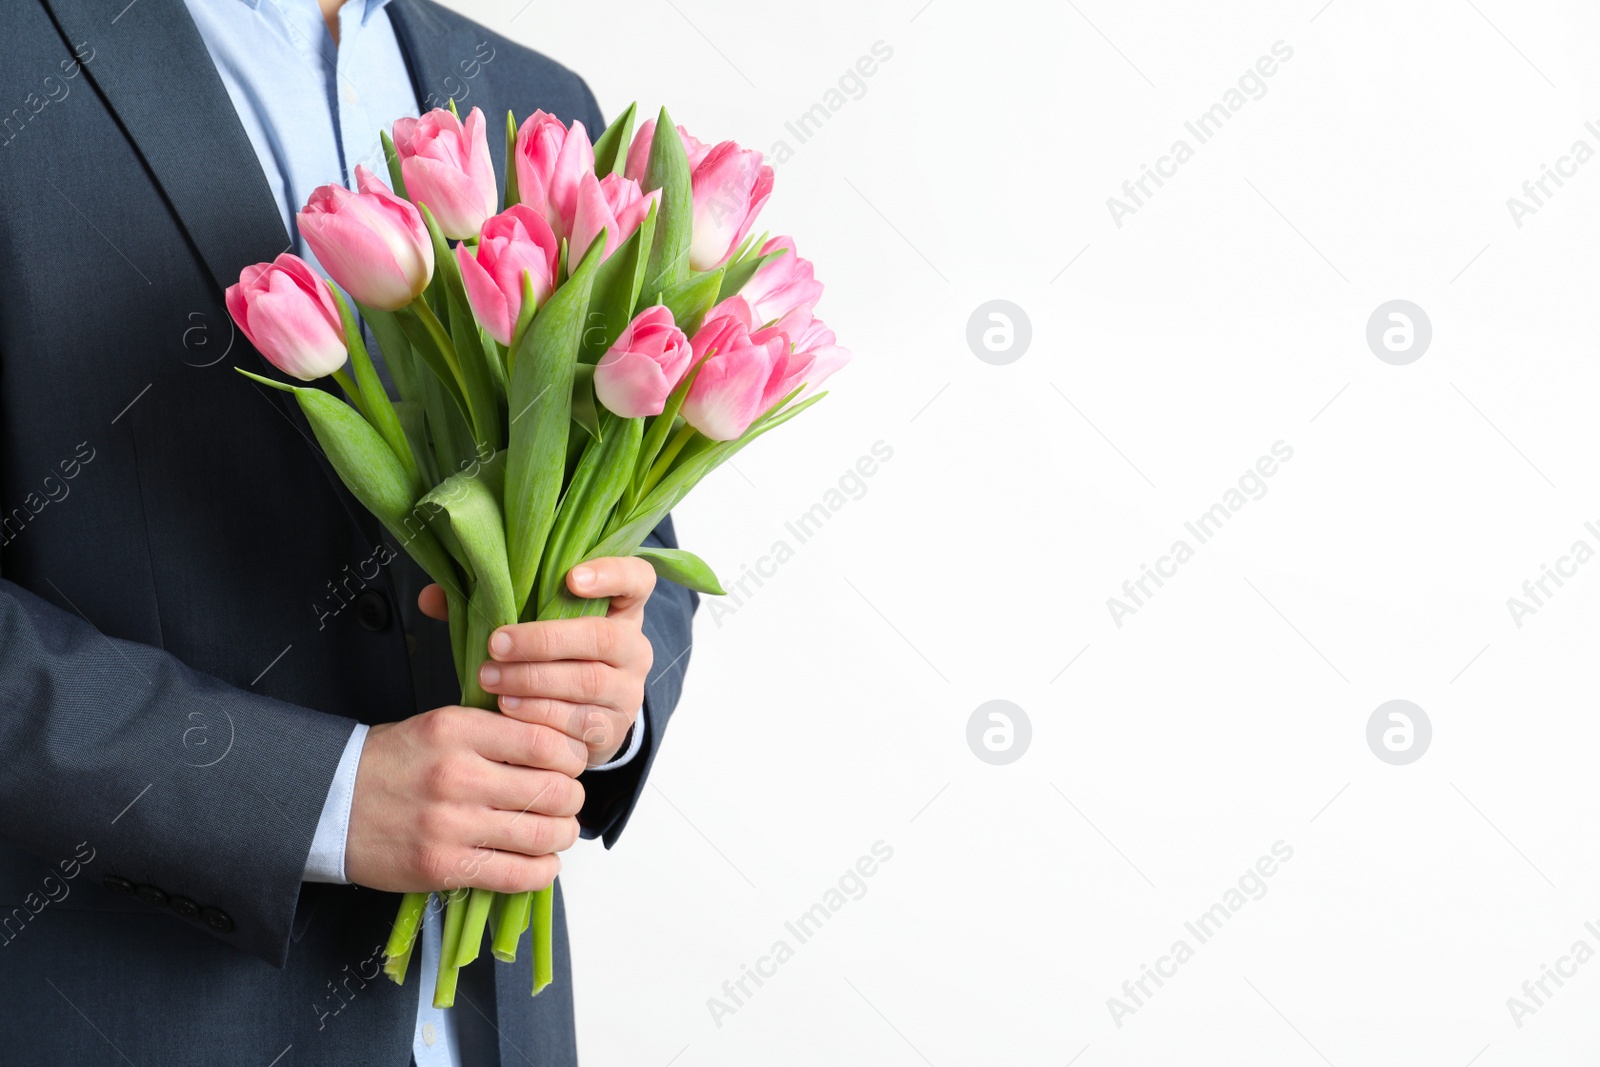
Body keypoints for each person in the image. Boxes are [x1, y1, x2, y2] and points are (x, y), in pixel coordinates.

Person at [0, 2, 696, 1064]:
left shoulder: (537, 99)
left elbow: (636, 523)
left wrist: (611, 682)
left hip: (491, 1024)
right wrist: (313, 794)